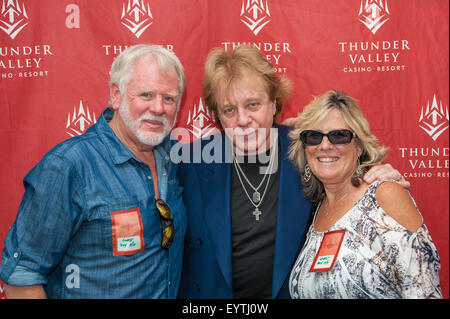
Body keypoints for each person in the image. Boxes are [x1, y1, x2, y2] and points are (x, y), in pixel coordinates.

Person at [176, 45, 407, 298]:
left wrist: (378, 176)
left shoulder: (307, 149)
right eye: (229, 110)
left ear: (274, 103)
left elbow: (349, 173)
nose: (242, 119)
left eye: (253, 105)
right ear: (217, 114)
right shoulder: (192, 162)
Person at [0, 44, 187, 298]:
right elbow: (21, 277)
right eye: (146, 95)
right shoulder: (69, 166)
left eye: (169, 98)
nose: (158, 108)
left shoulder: (174, 158)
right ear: (116, 95)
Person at [288, 90, 442, 299]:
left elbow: (423, 290)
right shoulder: (316, 209)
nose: (325, 145)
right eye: (314, 136)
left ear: (359, 146)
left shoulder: (384, 195)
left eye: (339, 135)